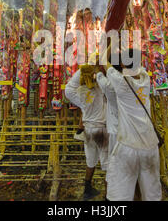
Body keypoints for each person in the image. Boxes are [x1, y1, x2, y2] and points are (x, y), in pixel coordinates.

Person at [101, 48, 162, 201]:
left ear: (122, 64)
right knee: (152, 193)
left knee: (120, 195)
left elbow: (104, 62)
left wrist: (110, 43)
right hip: (150, 146)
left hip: (128, 146)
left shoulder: (121, 81)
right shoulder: (146, 78)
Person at [65, 64, 108, 201]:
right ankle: (109, 196)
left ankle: (87, 190)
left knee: (91, 161)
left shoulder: (81, 92)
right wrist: (100, 68)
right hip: (102, 130)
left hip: (88, 131)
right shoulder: (101, 89)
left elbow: (68, 89)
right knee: (107, 165)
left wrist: (84, 69)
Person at [96, 57, 119, 192]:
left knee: (112, 168)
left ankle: (110, 195)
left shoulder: (109, 87)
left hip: (115, 133)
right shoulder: (133, 83)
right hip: (130, 134)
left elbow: (98, 73)